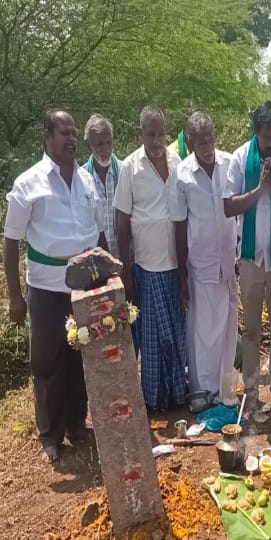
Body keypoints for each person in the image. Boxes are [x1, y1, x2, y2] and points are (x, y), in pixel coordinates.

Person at [4, 110, 107, 462]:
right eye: (64, 132)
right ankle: (50, 435)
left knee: (81, 357)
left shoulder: (87, 180)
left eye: (74, 132)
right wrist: (15, 296)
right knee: (47, 363)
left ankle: (78, 423)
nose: (72, 138)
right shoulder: (28, 183)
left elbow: (100, 233)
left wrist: (108, 278)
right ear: (47, 137)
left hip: (85, 286)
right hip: (46, 289)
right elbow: (11, 241)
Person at [223, 101, 271, 415]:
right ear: (257, 133)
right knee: (251, 328)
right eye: (267, 137)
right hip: (251, 258)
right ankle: (251, 388)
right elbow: (228, 206)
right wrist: (258, 190)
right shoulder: (240, 158)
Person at [114, 106, 186, 411]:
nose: (156, 141)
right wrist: (126, 274)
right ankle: (155, 400)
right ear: (140, 134)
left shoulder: (178, 161)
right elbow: (121, 221)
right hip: (147, 266)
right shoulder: (131, 167)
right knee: (155, 339)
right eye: (150, 134)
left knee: (178, 336)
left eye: (160, 134)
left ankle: (179, 395)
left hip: (176, 265)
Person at [170, 112, 237, 403]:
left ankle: (223, 390)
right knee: (202, 330)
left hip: (227, 262)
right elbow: (179, 224)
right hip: (200, 264)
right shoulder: (183, 175)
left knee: (226, 326)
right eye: (201, 142)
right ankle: (202, 391)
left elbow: (238, 208)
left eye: (211, 140)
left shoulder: (229, 163)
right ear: (191, 143)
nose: (208, 147)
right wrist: (182, 275)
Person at [83, 114, 122, 257]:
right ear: (90, 145)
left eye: (108, 142)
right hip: (95, 258)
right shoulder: (81, 179)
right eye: (99, 144)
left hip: (126, 256)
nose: (105, 148)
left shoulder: (124, 172)